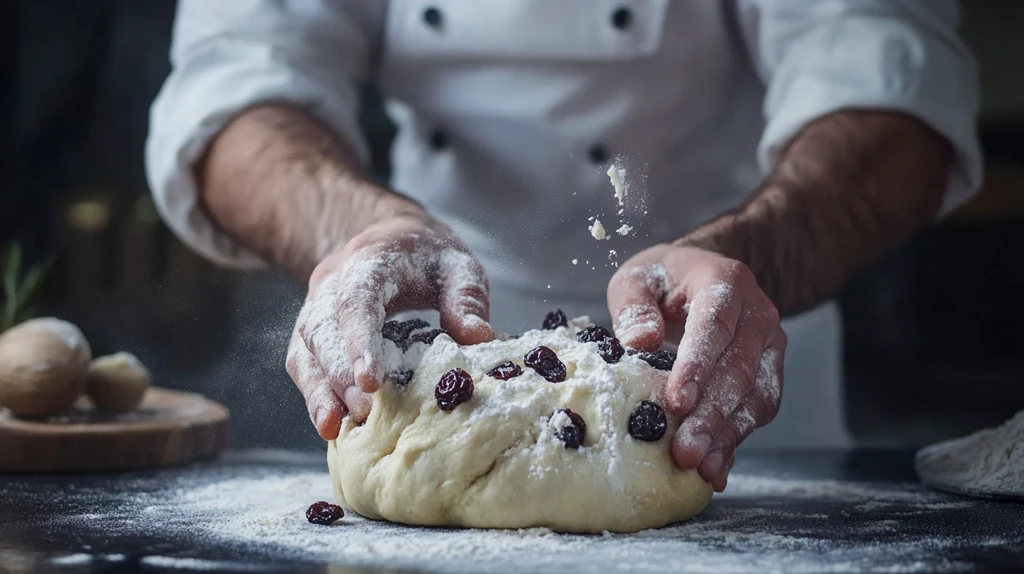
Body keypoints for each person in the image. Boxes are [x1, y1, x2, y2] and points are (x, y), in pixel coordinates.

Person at [145, 1, 980, 492]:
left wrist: (752, 256)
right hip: (434, 349)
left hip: (718, 367)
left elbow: (890, 82)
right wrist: (359, 235)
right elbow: (238, 80)